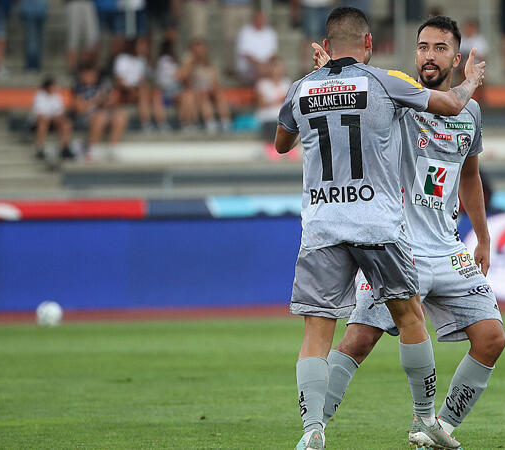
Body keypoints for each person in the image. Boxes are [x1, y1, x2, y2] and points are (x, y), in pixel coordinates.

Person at [275, 7, 484, 449]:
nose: (428, 54)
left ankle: (313, 430)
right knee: (404, 320)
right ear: (369, 43)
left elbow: (281, 143)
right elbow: (450, 103)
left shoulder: (302, 88)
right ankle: (424, 417)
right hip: (381, 226)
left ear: (326, 46)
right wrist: (471, 81)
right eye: (423, 47)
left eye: (438, 47)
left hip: (325, 226)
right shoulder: (387, 84)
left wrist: (318, 84)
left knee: (318, 330)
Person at [72, 63, 127, 160]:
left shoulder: (101, 86)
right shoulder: (78, 89)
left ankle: (113, 148)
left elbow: (111, 102)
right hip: (85, 117)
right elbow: (80, 109)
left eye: (93, 74)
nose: (91, 77)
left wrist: (107, 101)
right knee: (100, 116)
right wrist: (96, 100)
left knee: (121, 115)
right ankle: (92, 149)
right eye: (88, 74)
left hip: (103, 114)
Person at [177, 40, 231, 134]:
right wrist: (190, 62)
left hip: (209, 91)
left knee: (220, 94)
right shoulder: (189, 64)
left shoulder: (210, 65)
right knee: (202, 97)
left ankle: (225, 122)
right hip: (196, 92)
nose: (199, 52)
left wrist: (212, 89)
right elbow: (181, 77)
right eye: (197, 50)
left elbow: (216, 82)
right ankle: (210, 123)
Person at [31, 76, 73, 160]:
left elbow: (60, 112)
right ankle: (40, 149)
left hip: (53, 121)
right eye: (53, 86)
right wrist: (52, 117)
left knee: (66, 124)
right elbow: (39, 115)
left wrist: (57, 118)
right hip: (41, 122)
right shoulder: (39, 95)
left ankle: (64, 149)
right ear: (47, 87)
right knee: (43, 123)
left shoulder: (57, 95)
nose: (55, 88)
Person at [235, 9, 278, 84]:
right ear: (253, 19)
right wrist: (260, 65)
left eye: (262, 18)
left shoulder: (270, 32)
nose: (260, 21)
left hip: (266, 65)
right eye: (258, 18)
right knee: (260, 69)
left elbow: (273, 54)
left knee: (278, 67)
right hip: (249, 66)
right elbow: (245, 54)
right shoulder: (245, 32)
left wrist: (266, 65)